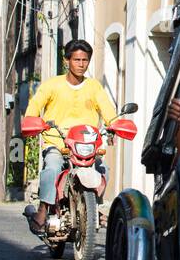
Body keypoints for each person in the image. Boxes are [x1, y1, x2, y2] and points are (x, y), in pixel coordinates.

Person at [23, 39, 118, 233]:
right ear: (67, 61)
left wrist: (114, 126)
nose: (81, 64)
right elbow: (34, 106)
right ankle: (43, 209)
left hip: (86, 144)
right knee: (52, 168)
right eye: (77, 60)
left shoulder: (94, 87)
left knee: (102, 168)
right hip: (57, 142)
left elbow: (108, 111)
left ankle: (94, 205)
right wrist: (32, 121)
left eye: (85, 60)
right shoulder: (52, 85)